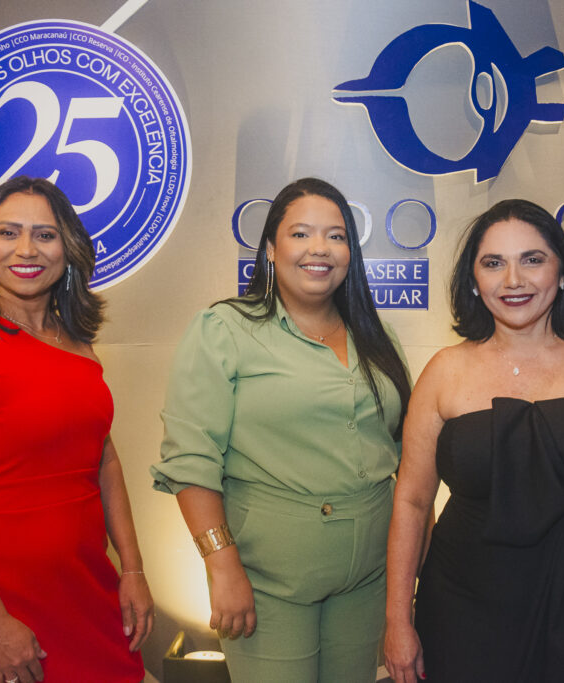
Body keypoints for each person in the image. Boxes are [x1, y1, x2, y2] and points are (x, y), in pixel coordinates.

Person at [383, 199, 564, 683]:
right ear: (474, 282)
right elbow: (411, 502)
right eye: (493, 263)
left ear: (561, 272)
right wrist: (397, 620)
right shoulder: (444, 372)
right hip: (462, 608)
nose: (513, 280)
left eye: (532, 259)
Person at [151, 177, 411, 682]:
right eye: (301, 234)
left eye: (336, 236)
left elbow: (404, 451)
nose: (320, 249)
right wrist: (221, 566)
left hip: (368, 579)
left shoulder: (379, 336)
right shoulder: (224, 329)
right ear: (270, 248)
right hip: (266, 582)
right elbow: (190, 460)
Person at [0, 176, 153, 683]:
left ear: (69, 248)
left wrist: (132, 568)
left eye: (44, 234)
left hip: (88, 589)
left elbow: (102, 459)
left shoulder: (76, 344)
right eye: (8, 232)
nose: (26, 249)